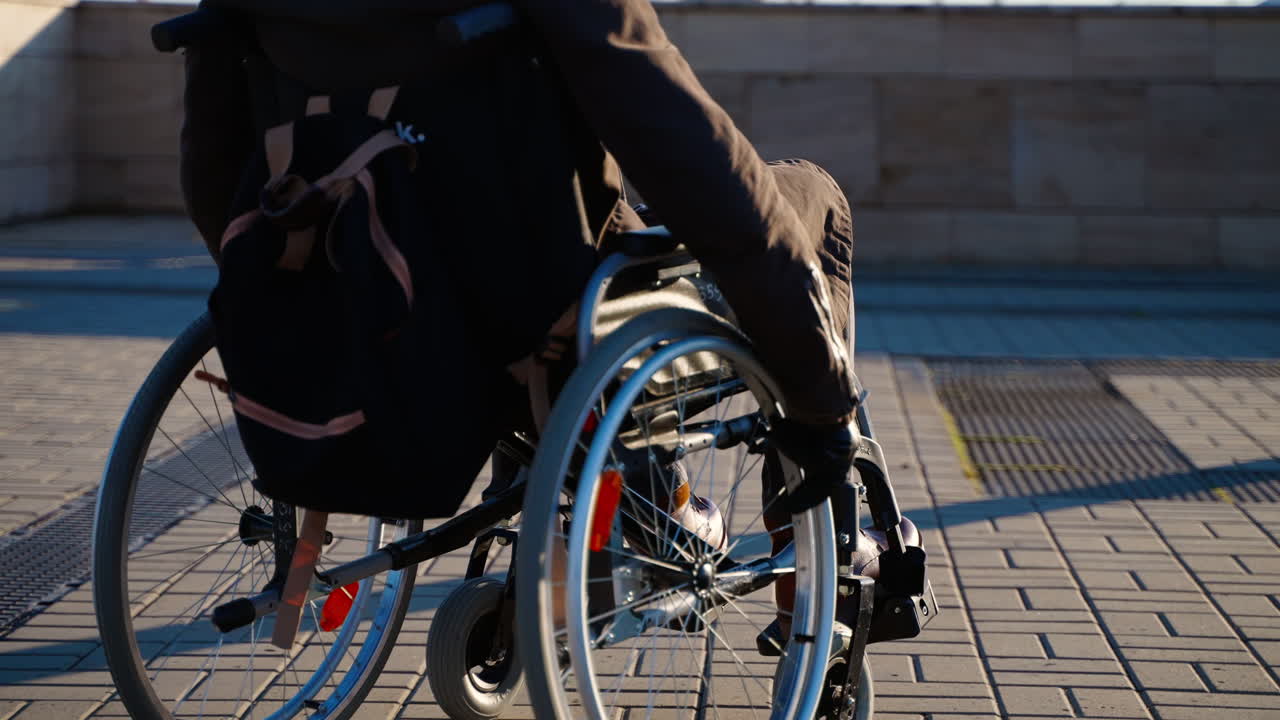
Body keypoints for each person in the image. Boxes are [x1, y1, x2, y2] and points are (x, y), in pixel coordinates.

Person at [181, 0, 861, 653]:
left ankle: (649, 495)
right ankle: (815, 564)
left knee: (562, 261)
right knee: (809, 198)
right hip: (541, 312)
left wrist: (268, 281)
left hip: (361, 270)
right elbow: (683, 145)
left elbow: (211, 154)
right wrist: (821, 400)